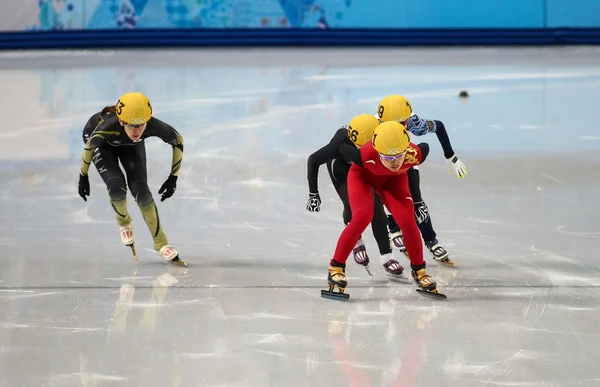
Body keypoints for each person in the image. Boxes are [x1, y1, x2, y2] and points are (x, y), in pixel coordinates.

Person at [321, 120, 445, 300]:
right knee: (362, 216)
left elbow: (424, 147)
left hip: (393, 181)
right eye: (387, 157)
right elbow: (341, 148)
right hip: (362, 178)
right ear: (378, 151)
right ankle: (336, 267)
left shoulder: (414, 154)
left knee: (407, 221)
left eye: (398, 157)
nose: (394, 162)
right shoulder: (364, 155)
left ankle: (419, 271)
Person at [77, 92, 186, 266]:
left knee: (142, 191)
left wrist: (173, 177)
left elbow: (178, 141)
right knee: (116, 186)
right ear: (121, 121)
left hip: (130, 146)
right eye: (132, 126)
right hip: (103, 145)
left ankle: (161, 243)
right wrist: (83, 175)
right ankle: (124, 221)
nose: (137, 131)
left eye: (141, 125)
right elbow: (90, 148)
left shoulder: (150, 126)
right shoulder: (106, 127)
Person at [306, 114, 404, 279]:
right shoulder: (339, 144)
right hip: (342, 168)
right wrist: (313, 194)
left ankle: (387, 256)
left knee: (377, 209)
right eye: (361, 147)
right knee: (352, 204)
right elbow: (313, 160)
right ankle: (356, 239)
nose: (364, 150)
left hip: (364, 168)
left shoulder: (381, 136)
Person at [377, 94, 467, 267]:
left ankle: (431, 239)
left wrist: (450, 156)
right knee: (384, 195)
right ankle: (393, 227)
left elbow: (438, 126)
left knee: (415, 199)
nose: (400, 127)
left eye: (402, 124)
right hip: (383, 160)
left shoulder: (412, 121)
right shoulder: (373, 125)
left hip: (405, 158)